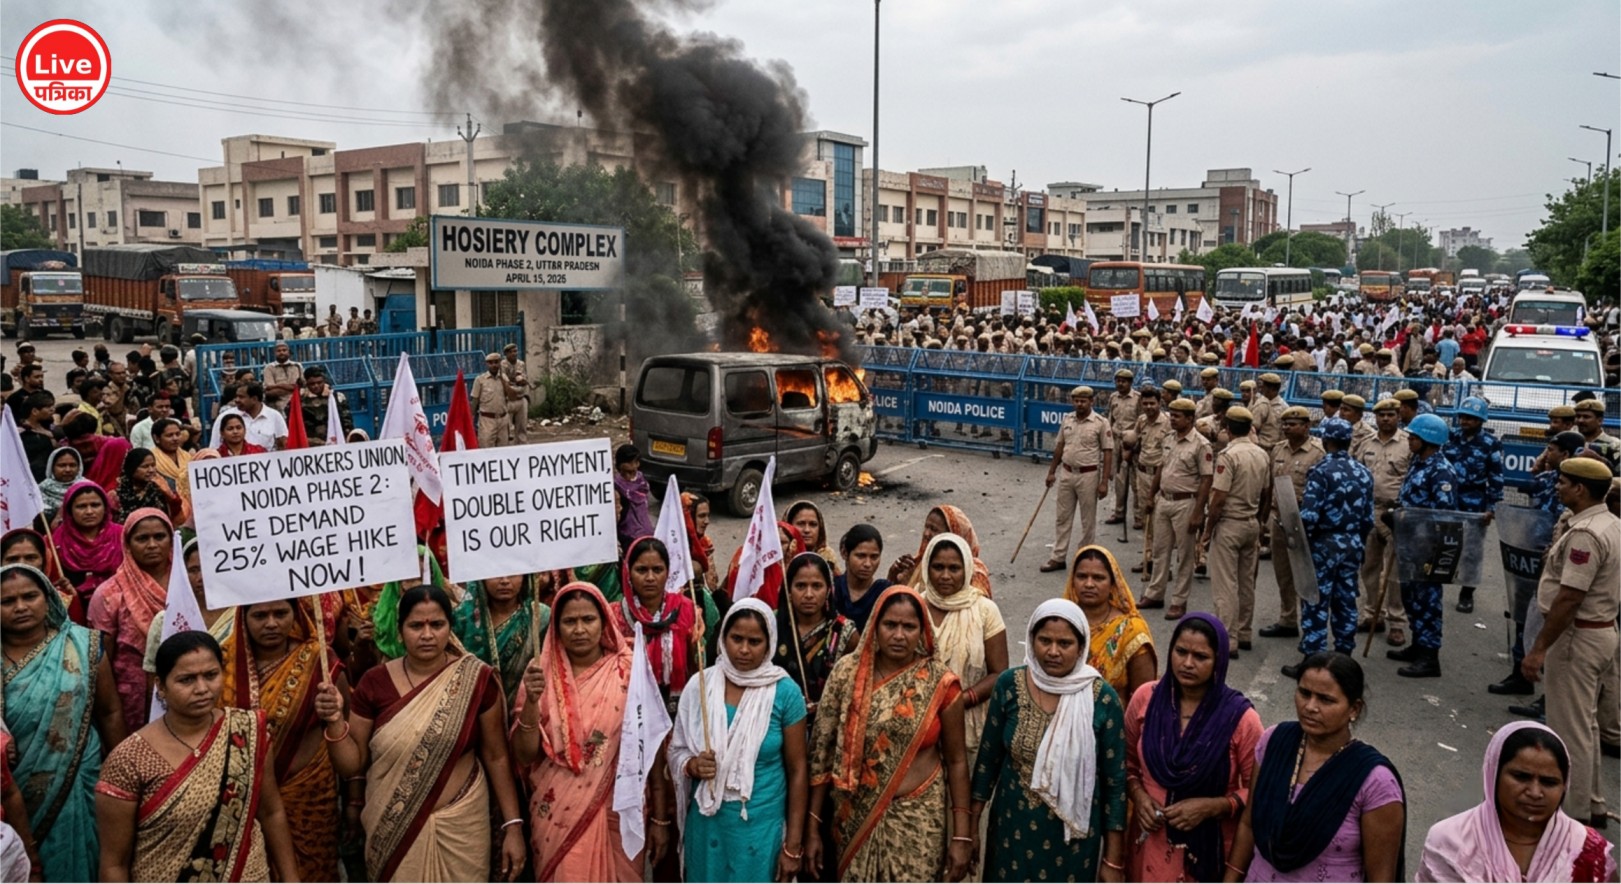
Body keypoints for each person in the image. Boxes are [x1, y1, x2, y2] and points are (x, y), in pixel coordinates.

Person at [316, 584, 528, 882]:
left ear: (450, 628)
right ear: (400, 631)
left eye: (437, 625)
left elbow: (496, 756)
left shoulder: (476, 679)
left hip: (463, 829)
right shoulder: (374, 683)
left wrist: (513, 826)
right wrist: (335, 721)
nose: (427, 635)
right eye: (416, 626)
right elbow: (351, 765)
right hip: (393, 832)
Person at [95, 631, 301, 882]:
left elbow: (271, 813)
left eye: (211, 675)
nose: (202, 689)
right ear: (161, 686)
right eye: (187, 680)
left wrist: (291, 879)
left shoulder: (245, 732)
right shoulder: (129, 759)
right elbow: (114, 863)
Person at [806, 587, 972, 882]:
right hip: (854, 816)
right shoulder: (847, 673)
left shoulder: (939, 683)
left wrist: (962, 836)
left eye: (909, 627)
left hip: (919, 818)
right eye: (890, 625)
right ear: (874, 626)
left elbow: (957, 761)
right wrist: (812, 827)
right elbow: (823, 753)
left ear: (922, 631)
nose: (899, 635)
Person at [970, 598, 1128, 882]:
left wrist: (1113, 861)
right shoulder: (1009, 685)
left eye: (1065, 644)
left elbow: (1115, 784)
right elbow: (987, 763)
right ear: (1032, 640)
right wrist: (969, 831)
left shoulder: (1102, 699)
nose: (1053, 652)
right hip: (1011, 832)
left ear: (1081, 646)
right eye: (1044, 641)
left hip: (1071, 845)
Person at [1223, 652, 1405, 883]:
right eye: (1304, 693)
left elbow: (1381, 877)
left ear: (1354, 709)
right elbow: (1249, 824)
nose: (1310, 707)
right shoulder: (1274, 742)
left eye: (1325, 700)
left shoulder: (1374, 781)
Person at [1, 564, 127, 882]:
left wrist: (121, 773)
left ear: (49, 598)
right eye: (7, 601)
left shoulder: (84, 645)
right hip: (12, 786)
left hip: (79, 778)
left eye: (30, 596)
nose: (20, 607)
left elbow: (110, 711)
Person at [669, 599, 810, 883]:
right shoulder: (700, 686)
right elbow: (676, 749)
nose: (744, 649)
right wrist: (693, 765)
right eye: (736, 639)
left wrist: (793, 845)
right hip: (708, 825)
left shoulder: (785, 692)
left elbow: (798, 771)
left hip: (761, 827)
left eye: (754, 641)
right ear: (723, 638)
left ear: (769, 643)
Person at [218, 599, 348, 883]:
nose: (271, 624)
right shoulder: (222, 664)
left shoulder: (319, 660)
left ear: (296, 613)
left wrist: (332, 709)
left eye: (280, 613)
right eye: (260, 615)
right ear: (243, 617)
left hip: (308, 796)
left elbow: (343, 724)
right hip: (242, 798)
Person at [1522, 456, 1620, 828]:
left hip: (1578, 635)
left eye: (1563, 482)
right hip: (1600, 631)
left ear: (1580, 488)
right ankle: (1592, 802)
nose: (1557, 486)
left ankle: (1574, 816)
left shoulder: (1586, 534)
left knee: (1569, 730)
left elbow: (1570, 597)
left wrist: (1539, 649)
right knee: (1586, 725)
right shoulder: (1610, 522)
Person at [1127, 613, 1262, 883]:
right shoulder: (1146, 699)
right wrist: (1139, 796)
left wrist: (1213, 807)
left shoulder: (1240, 719)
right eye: (1181, 652)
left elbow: (1259, 791)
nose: (1187, 663)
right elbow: (1126, 763)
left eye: (1201, 657)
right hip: (1148, 843)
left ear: (1218, 661)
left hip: (1208, 851)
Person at [1418, 721, 1617, 882]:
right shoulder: (1449, 841)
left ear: (1564, 786)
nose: (1535, 793)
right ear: (1493, 775)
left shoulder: (1585, 848)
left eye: (1549, 782)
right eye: (1521, 777)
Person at [1284, 418, 1374, 678]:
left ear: (1325, 440)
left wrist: (1302, 541)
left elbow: (1309, 516)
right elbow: (1368, 518)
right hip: (1352, 544)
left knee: (1315, 600)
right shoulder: (1363, 472)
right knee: (1346, 600)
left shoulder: (1321, 471)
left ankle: (1313, 658)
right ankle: (1344, 655)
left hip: (1324, 545)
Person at [919, 532, 1008, 764]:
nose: (945, 576)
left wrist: (960, 701)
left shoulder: (985, 611)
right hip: (918, 719)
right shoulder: (915, 606)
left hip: (970, 718)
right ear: (927, 567)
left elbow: (999, 673)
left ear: (967, 568)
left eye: (954, 568)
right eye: (938, 567)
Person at [89, 508, 174, 735]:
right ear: (127, 544)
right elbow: (102, 659)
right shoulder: (109, 593)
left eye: (159, 536)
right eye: (142, 538)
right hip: (130, 698)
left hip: (186, 688)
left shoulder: (188, 584)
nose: (152, 545)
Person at [1387, 413, 1458, 678]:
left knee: (1427, 602)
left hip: (1428, 547)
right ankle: (1418, 644)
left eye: (1414, 437)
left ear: (1428, 440)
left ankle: (1429, 656)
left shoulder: (1441, 471)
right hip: (1409, 543)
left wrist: (1407, 519)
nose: (1409, 440)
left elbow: (1443, 513)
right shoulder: (1418, 463)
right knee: (1411, 597)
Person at [1203, 406, 1270, 657]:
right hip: (1251, 521)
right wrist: (1260, 522)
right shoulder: (1261, 454)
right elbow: (1267, 492)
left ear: (1228, 429)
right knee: (1246, 582)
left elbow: (1219, 498)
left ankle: (1227, 637)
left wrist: (1208, 531)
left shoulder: (1228, 455)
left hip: (1230, 523)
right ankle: (1244, 632)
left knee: (1225, 584)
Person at [1141, 398, 1213, 618]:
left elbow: (1206, 479)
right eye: (1171, 415)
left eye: (1177, 416)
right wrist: (1151, 496)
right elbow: (1160, 469)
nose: (1172, 419)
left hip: (1186, 502)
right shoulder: (1169, 439)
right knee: (1160, 550)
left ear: (1190, 419)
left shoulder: (1201, 445)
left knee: (1185, 554)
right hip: (1164, 500)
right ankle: (1155, 593)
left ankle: (1179, 600)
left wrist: (1198, 512)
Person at [1258, 407, 1324, 641]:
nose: (1287, 428)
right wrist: (1263, 519)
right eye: (1285, 424)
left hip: (1305, 519)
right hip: (1279, 517)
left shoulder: (1318, 453)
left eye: (1293, 424)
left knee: (1306, 573)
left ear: (1306, 427)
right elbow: (1270, 487)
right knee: (1283, 571)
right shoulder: (1278, 449)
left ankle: (1310, 622)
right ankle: (1287, 619)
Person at [773, 552, 860, 728]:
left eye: (817, 586)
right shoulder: (771, 625)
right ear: (788, 589)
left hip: (826, 728)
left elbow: (855, 689)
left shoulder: (844, 633)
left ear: (828, 590)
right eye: (800, 586)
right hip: (775, 722)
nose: (809, 594)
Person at [1064, 544, 1158, 701]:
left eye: (1098, 578)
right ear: (1072, 581)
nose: (1089, 584)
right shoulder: (1061, 621)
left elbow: (1144, 697)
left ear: (1113, 584)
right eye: (1081, 576)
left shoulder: (1131, 630)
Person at [614, 537, 700, 708]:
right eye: (641, 570)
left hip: (679, 709)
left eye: (657, 569)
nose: (650, 577)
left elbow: (698, 662)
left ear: (667, 572)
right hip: (629, 708)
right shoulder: (614, 616)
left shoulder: (685, 609)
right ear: (628, 572)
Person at [1354, 399, 1411, 648]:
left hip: (1395, 512)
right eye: (1381, 415)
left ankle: (1396, 622)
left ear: (1398, 416)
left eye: (1390, 414)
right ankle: (1371, 614)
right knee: (1369, 566)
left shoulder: (1407, 444)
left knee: (1394, 571)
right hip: (1369, 509)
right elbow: (1357, 473)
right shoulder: (1366, 443)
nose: (1385, 419)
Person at [1442, 397, 1504, 614]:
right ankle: (1433, 588)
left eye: (1470, 418)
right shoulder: (1450, 438)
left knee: (1471, 550)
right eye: (1462, 417)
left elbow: (1496, 476)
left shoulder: (1490, 443)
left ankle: (1467, 592)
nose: (1464, 421)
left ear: (1480, 420)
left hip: (1474, 502)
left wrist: (1492, 507)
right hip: (1448, 499)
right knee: (1441, 545)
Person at [1042, 386, 1115, 572]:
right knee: (1062, 517)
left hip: (1089, 475)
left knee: (1087, 521)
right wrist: (1052, 472)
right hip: (1067, 472)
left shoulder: (1101, 423)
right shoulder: (1067, 419)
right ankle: (1058, 557)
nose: (1079, 404)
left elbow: (1108, 452)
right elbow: (1060, 446)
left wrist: (1104, 482)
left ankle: (1085, 559)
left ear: (1091, 401)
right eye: (1076, 401)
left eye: (1083, 401)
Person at [452, 573, 549, 711]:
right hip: (473, 712)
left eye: (513, 573)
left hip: (526, 712)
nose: (505, 581)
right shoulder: (463, 621)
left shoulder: (540, 617)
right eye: (495, 574)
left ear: (525, 576)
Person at [887, 504, 995, 597]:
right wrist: (894, 579)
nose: (926, 534)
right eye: (926, 527)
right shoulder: (918, 564)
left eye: (934, 529)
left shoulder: (975, 575)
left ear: (952, 535)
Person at [832, 523, 892, 631]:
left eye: (874, 557)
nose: (868, 564)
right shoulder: (832, 589)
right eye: (861, 556)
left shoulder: (884, 592)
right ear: (845, 553)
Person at [112, 447, 187, 525]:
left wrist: (168, 493)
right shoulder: (117, 495)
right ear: (131, 469)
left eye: (153, 465)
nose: (151, 470)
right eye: (145, 466)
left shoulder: (159, 489)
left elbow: (177, 517)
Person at [1106, 369, 1142, 525]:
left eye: (1124, 381)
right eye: (1118, 381)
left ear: (1130, 383)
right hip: (1117, 441)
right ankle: (1119, 512)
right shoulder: (1113, 397)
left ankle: (1139, 516)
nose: (1120, 384)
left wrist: (1135, 446)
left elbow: (1142, 422)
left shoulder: (1138, 398)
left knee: (1135, 481)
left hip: (1132, 443)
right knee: (1119, 480)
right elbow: (1111, 419)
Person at [786, 499, 842, 575]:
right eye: (801, 524)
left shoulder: (827, 558)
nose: (807, 530)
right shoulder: (779, 558)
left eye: (813, 524)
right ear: (788, 526)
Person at [148, 417, 194, 510]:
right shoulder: (151, 461)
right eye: (169, 435)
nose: (175, 438)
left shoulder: (188, 457)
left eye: (178, 434)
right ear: (156, 438)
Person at [613, 444, 653, 550]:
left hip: (646, 535)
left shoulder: (642, 483)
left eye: (632, 472)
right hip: (628, 538)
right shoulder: (616, 487)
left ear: (637, 464)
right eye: (625, 472)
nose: (629, 477)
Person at [472, 354, 515, 447]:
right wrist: (471, 418)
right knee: (486, 448)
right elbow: (475, 401)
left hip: (503, 420)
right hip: (487, 421)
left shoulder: (504, 378)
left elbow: (512, 396)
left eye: (496, 362)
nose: (494, 365)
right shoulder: (480, 380)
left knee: (503, 449)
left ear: (500, 363)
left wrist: (504, 381)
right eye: (491, 363)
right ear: (487, 364)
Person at [37, 445, 83, 523]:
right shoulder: (41, 489)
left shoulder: (86, 487)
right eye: (62, 465)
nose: (68, 470)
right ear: (52, 467)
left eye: (72, 465)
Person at [262, 341, 302, 414]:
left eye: (284, 350)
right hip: (277, 405)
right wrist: (292, 388)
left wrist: (277, 386)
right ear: (275, 353)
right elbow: (270, 389)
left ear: (288, 352)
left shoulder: (297, 366)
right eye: (279, 351)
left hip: (297, 402)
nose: (282, 352)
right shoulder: (269, 368)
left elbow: (299, 386)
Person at [501, 343, 530, 444]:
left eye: (515, 351)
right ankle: (507, 445)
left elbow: (523, 380)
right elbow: (505, 382)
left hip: (521, 396)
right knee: (506, 426)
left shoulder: (521, 364)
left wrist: (521, 380)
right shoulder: (502, 365)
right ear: (506, 354)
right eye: (511, 352)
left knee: (522, 424)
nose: (514, 354)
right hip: (508, 398)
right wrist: (514, 382)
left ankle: (522, 445)